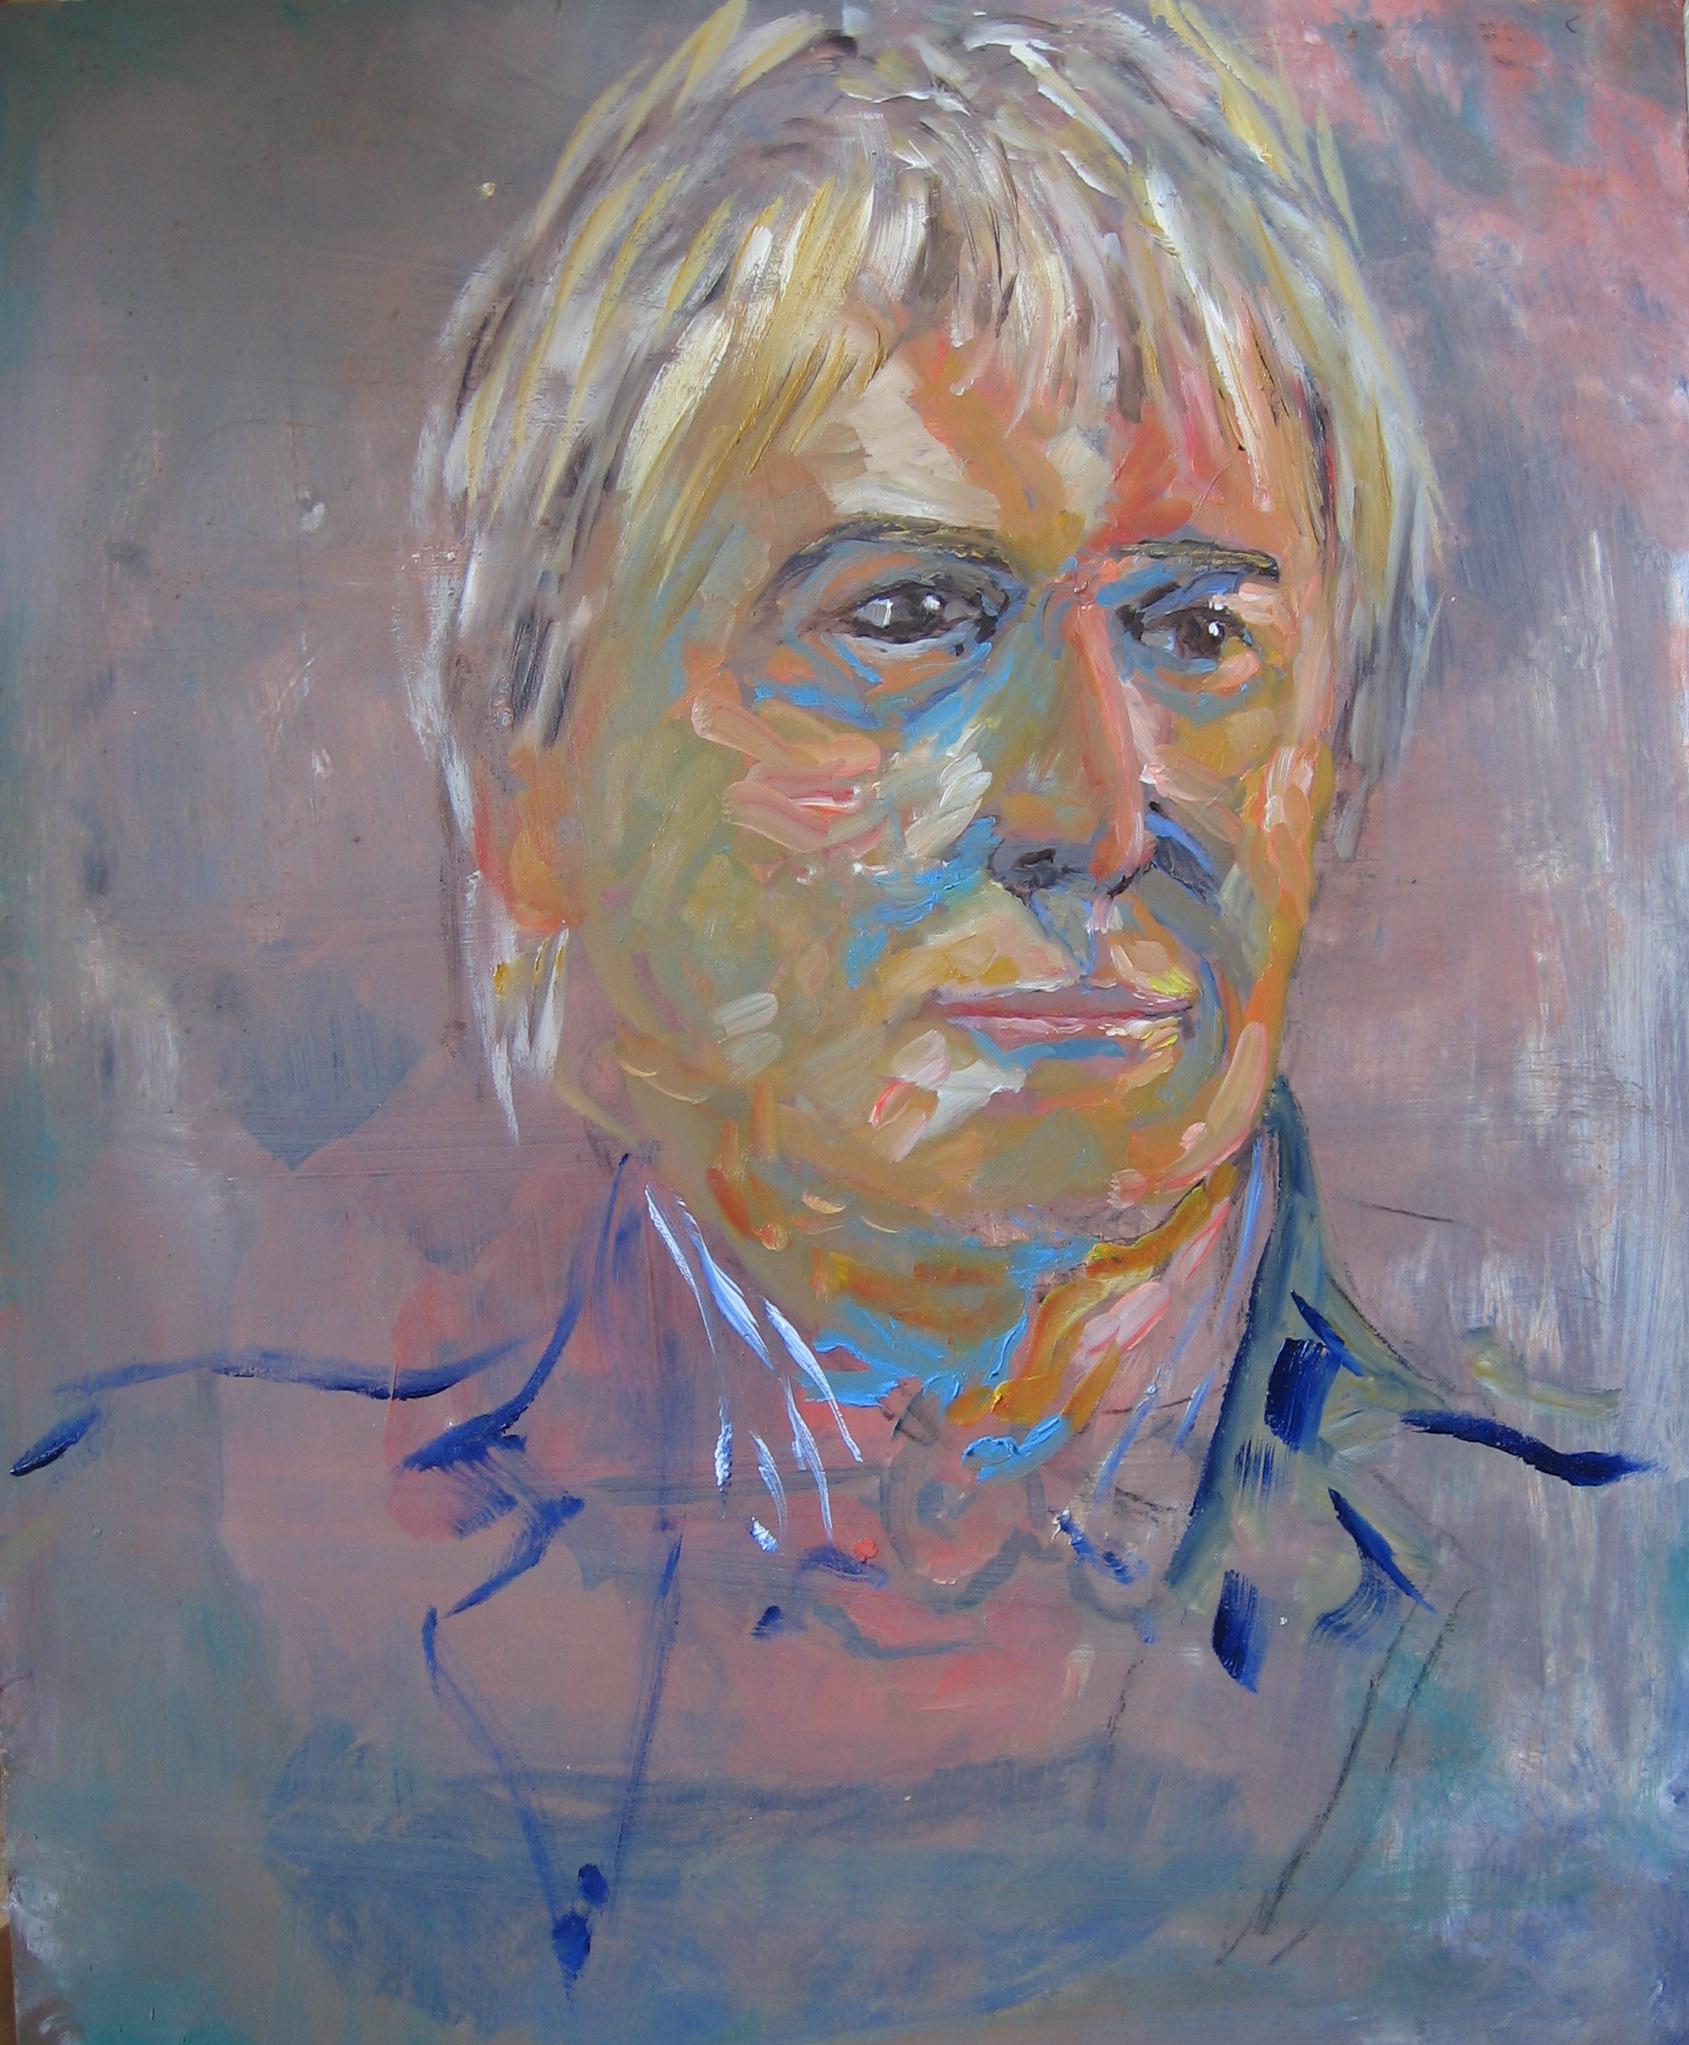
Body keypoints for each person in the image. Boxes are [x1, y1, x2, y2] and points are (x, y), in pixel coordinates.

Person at [14, 4, 1641, 2037]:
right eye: (906, 619)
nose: (1094, 809)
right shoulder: (136, 1599)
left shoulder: (1597, 1632)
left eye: (1196, 629)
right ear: (537, 785)